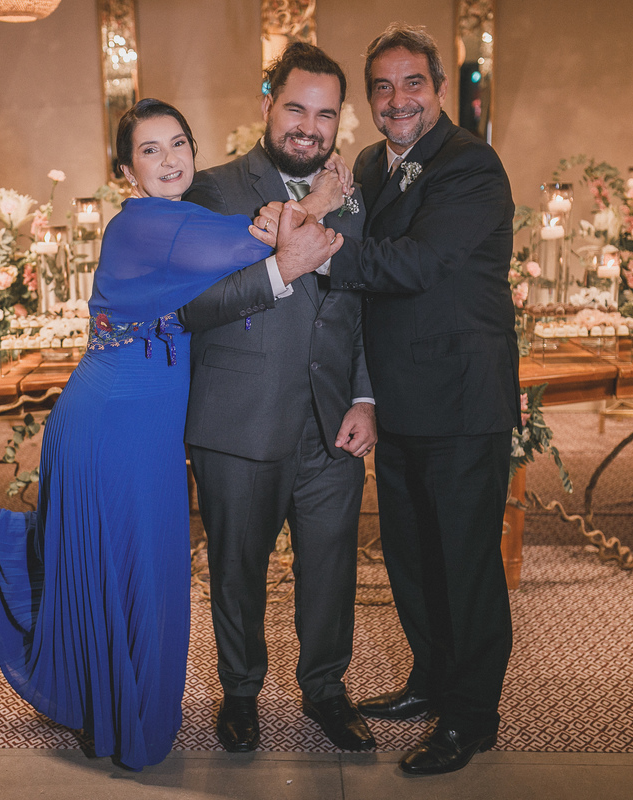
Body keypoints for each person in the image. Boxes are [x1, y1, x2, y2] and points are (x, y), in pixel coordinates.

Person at [0, 99, 343, 771]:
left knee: (125, 569)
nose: (170, 159)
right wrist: (320, 197)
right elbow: (262, 242)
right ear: (126, 171)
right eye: (150, 150)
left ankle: (107, 704)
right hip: (113, 421)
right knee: (131, 570)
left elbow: (252, 245)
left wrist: (289, 219)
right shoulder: (142, 224)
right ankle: (112, 708)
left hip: (141, 422)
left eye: (178, 143)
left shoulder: (181, 217)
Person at [257, 23, 521, 775]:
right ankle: (429, 679)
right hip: (397, 399)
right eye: (382, 87)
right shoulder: (372, 164)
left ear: (438, 87)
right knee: (411, 557)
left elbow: (417, 262)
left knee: (465, 563)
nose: (398, 99)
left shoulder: (471, 164)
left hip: (461, 398)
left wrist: (313, 249)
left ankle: (470, 716)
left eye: (413, 83)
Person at [177, 42, 378, 755]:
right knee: (238, 566)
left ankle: (325, 689)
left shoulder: (354, 196)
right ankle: (240, 692)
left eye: (325, 114)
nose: (309, 127)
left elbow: (363, 304)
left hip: (332, 422)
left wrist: (364, 398)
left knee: (332, 568)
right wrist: (282, 265)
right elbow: (194, 306)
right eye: (296, 108)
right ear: (267, 104)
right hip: (239, 418)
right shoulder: (212, 191)